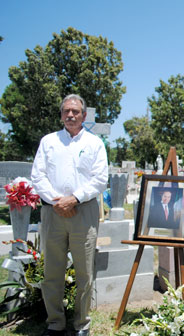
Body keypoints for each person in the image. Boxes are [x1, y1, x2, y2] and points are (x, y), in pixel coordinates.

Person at [31, 94, 108, 336]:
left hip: (83, 212)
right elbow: (38, 175)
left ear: (84, 116)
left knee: (84, 271)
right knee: (52, 271)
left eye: (75, 111)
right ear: (61, 114)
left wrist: (74, 198)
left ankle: (82, 323)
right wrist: (58, 201)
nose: (70, 115)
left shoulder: (95, 144)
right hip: (53, 212)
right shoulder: (49, 142)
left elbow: (100, 179)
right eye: (66, 111)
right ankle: (55, 322)